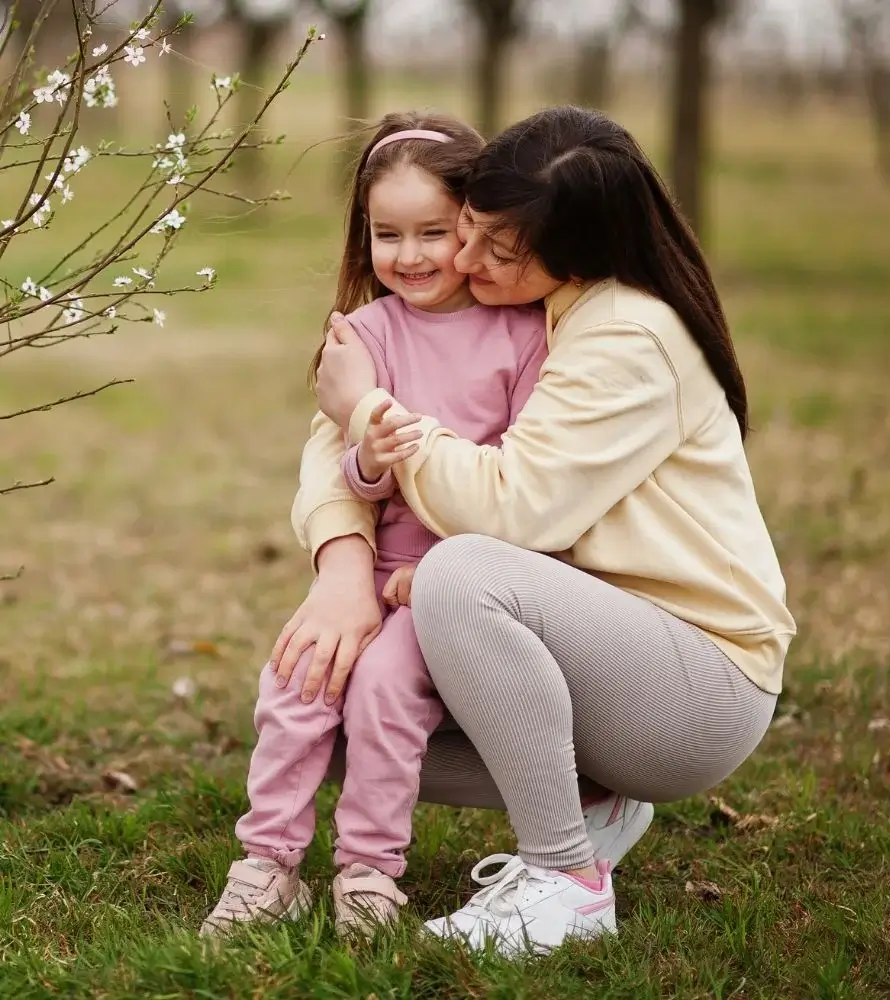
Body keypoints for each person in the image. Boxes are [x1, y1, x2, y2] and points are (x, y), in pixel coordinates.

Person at [282, 105, 796, 956]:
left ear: (580, 250)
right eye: (473, 231)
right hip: (595, 641)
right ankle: (594, 803)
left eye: (499, 248)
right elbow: (328, 443)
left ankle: (565, 882)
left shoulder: (627, 338)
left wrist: (370, 406)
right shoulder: (536, 309)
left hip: (695, 685)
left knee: (463, 573)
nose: (466, 260)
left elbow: (513, 510)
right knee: (328, 704)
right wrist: (343, 565)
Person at [201, 111, 553, 938]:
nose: (412, 254)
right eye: (387, 233)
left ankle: (366, 872)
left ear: (472, 224)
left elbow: (527, 477)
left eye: (435, 231)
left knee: (388, 691)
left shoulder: (520, 335)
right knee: (297, 681)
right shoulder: (361, 334)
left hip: (457, 581)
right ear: (364, 235)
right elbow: (352, 475)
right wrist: (373, 458)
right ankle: (267, 865)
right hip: (373, 568)